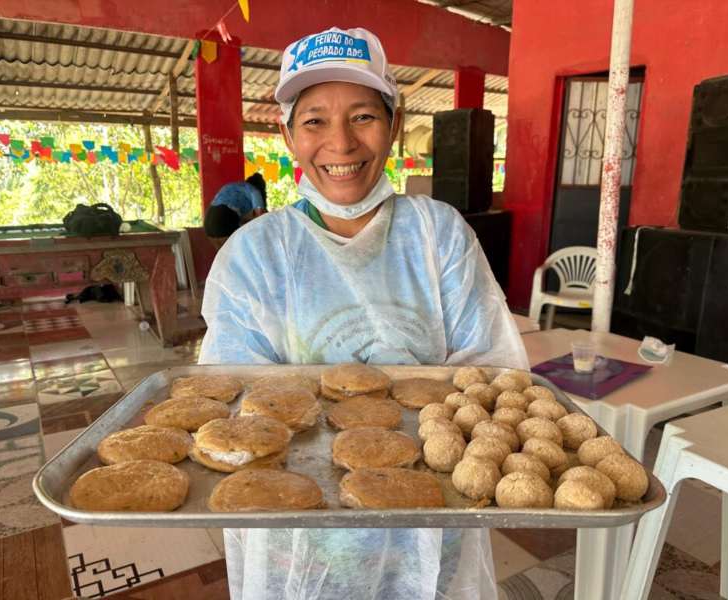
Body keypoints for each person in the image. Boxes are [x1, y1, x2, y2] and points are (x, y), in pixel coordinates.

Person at [199, 26, 528, 600]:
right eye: (315, 121)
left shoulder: (438, 233)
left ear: (394, 125)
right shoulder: (254, 253)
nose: (341, 143)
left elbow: (491, 375)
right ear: (287, 135)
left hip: (429, 520)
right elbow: (232, 408)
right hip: (297, 540)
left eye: (363, 116)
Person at [204, 172, 267, 252]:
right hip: (223, 219)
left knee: (225, 257)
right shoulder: (254, 191)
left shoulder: (233, 188)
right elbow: (260, 216)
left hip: (208, 224)